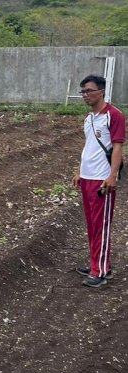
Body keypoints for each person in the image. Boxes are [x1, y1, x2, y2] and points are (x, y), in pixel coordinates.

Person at [71, 74, 125, 288]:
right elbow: (89, 147)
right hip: (87, 178)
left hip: (102, 181)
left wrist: (112, 175)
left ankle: (101, 271)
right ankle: (97, 262)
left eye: (89, 91)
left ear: (101, 91)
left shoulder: (114, 115)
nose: (85, 95)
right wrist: (79, 172)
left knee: (101, 225)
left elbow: (118, 147)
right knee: (92, 225)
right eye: (83, 91)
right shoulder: (89, 118)